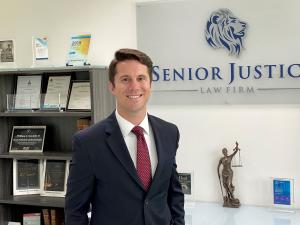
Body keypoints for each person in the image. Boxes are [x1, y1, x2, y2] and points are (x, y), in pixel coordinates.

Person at [65, 48, 185, 225]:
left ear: (150, 84)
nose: (134, 86)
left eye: (141, 78)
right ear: (112, 87)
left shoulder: (169, 132)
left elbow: (174, 193)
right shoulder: (88, 142)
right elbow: (75, 211)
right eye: (125, 79)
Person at [217, 142, 240, 208]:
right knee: (225, 185)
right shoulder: (221, 159)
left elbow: (235, 152)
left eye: (225, 151)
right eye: (223, 151)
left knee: (229, 184)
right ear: (222, 152)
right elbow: (218, 166)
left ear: (227, 151)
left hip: (229, 172)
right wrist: (218, 173)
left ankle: (232, 197)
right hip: (224, 173)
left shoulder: (230, 157)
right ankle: (228, 197)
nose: (224, 152)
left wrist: (237, 147)